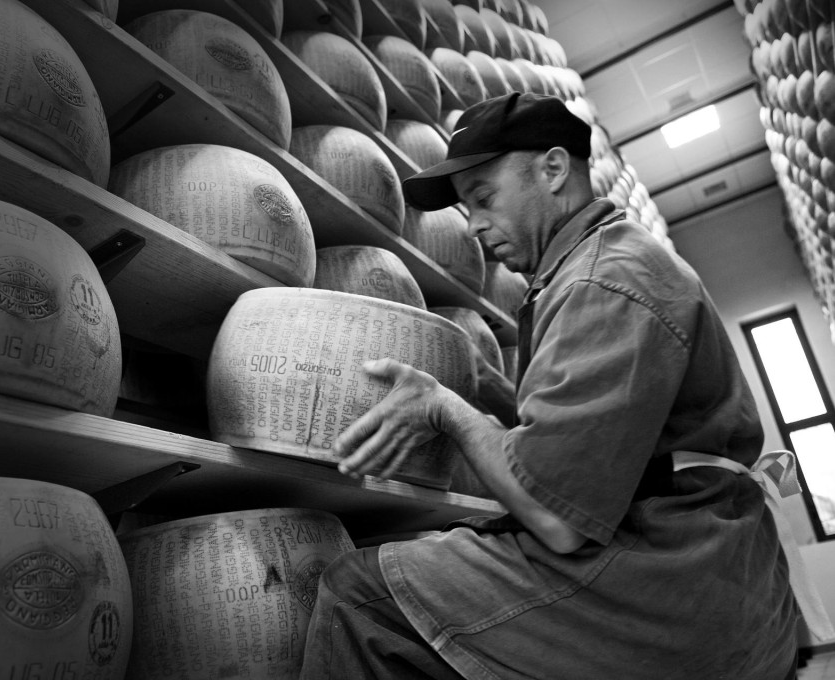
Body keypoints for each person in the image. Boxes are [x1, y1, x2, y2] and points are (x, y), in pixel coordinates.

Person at [298, 92, 804, 680]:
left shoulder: (605, 280)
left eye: (484, 199)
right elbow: (590, 431)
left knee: (360, 596)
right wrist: (478, 381)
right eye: (467, 210)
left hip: (671, 578)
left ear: (555, 168)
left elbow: (555, 517)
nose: (475, 227)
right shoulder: (602, 262)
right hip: (719, 575)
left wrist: (448, 410)